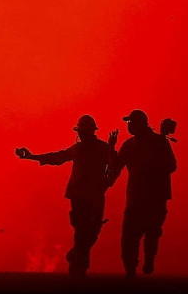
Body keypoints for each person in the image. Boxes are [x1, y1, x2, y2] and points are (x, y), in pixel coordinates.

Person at [16, 115, 117, 276]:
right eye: (82, 132)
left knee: (92, 232)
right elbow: (58, 157)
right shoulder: (80, 149)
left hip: (94, 195)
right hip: (80, 196)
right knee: (82, 231)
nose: (83, 135)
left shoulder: (102, 149)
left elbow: (114, 166)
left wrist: (111, 150)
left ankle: (75, 257)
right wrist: (32, 156)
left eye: (85, 132)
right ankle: (78, 269)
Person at [106, 109, 177, 277]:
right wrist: (111, 148)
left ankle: (148, 260)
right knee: (130, 236)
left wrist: (151, 169)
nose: (129, 126)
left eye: (132, 122)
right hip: (135, 199)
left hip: (155, 198)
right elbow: (116, 168)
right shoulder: (128, 145)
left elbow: (172, 165)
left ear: (142, 124)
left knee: (151, 233)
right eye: (129, 123)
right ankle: (131, 269)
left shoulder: (159, 142)